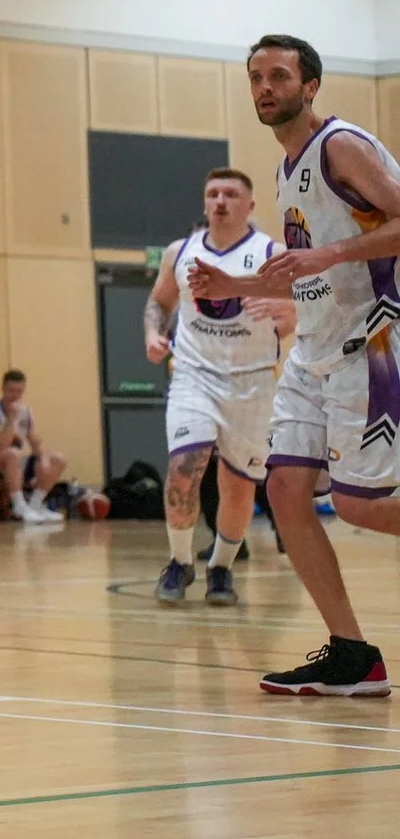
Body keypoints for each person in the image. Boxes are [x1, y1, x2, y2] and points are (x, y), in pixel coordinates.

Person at [192, 34, 400, 696]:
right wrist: (238, 287)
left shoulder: (342, 146)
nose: (265, 87)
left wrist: (328, 258)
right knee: (283, 490)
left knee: (359, 504)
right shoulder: (287, 170)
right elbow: (305, 277)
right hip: (311, 355)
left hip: (370, 347)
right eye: (256, 76)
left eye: (278, 75)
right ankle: (352, 654)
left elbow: (347, 250)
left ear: (309, 86)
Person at [145, 168, 288, 605]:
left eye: (230, 194)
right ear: (205, 203)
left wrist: (281, 313)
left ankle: (221, 568)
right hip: (194, 375)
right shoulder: (180, 252)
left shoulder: (272, 253)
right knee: (185, 466)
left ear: (250, 205)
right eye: (212, 194)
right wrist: (153, 332)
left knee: (239, 484)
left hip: (252, 381)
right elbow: (159, 301)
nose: (220, 201)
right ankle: (180, 561)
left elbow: (295, 316)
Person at [0, 370, 67, 522]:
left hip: (12, 463)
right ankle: (19, 506)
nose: (15, 396)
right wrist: (12, 418)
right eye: (11, 391)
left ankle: (35, 505)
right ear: (3, 389)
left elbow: (35, 441)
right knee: (12, 453)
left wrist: (43, 459)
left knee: (57, 459)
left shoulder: (26, 411)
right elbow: (2, 444)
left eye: (19, 392)